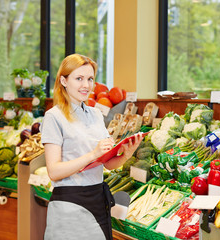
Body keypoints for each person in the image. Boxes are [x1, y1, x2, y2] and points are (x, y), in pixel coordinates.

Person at [41, 53, 143, 240]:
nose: (86, 85)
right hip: (69, 203)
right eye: (79, 78)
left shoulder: (96, 114)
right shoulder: (53, 117)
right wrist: (92, 154)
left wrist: (125, 154)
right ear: (63, 80)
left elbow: (108, 164)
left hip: (98, 200)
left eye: (90, 79)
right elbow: (54, 171)